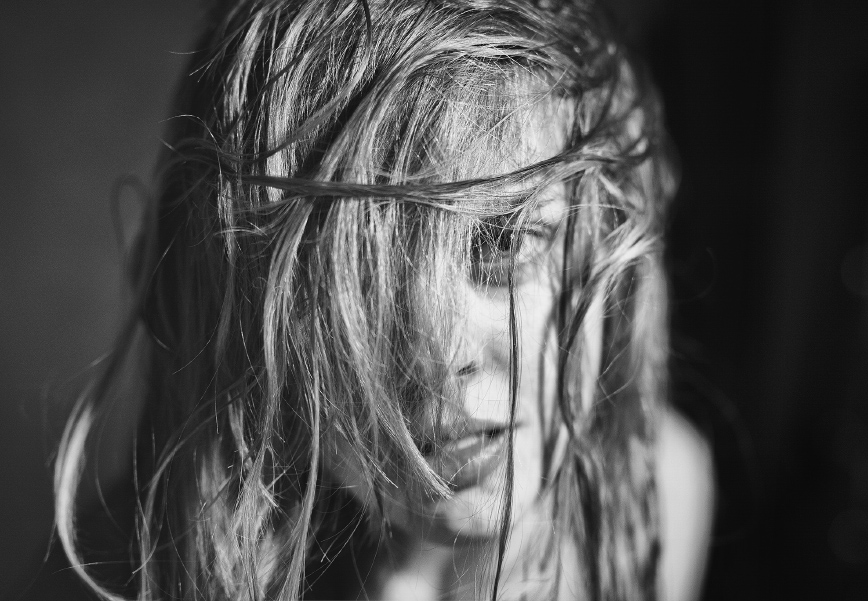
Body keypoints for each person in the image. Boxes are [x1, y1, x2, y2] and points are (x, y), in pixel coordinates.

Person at [53, 0, 713, 599]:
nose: (442, 354)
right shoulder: (129, 574)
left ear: (602, 222)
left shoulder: (658, 491)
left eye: (505, 240)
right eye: (359, 282)